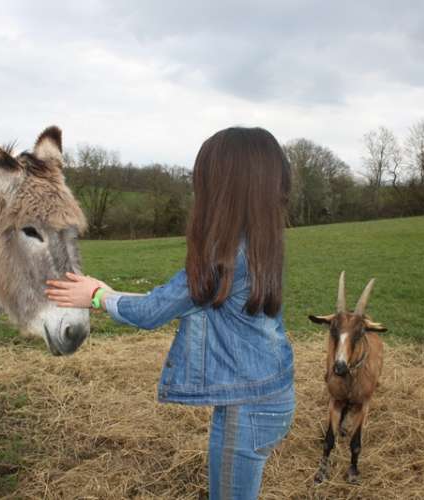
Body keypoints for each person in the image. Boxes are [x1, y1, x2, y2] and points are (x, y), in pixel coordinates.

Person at [46, 126, 295, 499]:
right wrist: (108, 293)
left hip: (247, 409)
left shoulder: (222, 258)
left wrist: (97, 296)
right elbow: (176, 299)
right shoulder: (256, 244)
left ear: (225, 186)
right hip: (265, 396)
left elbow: (152, 311)